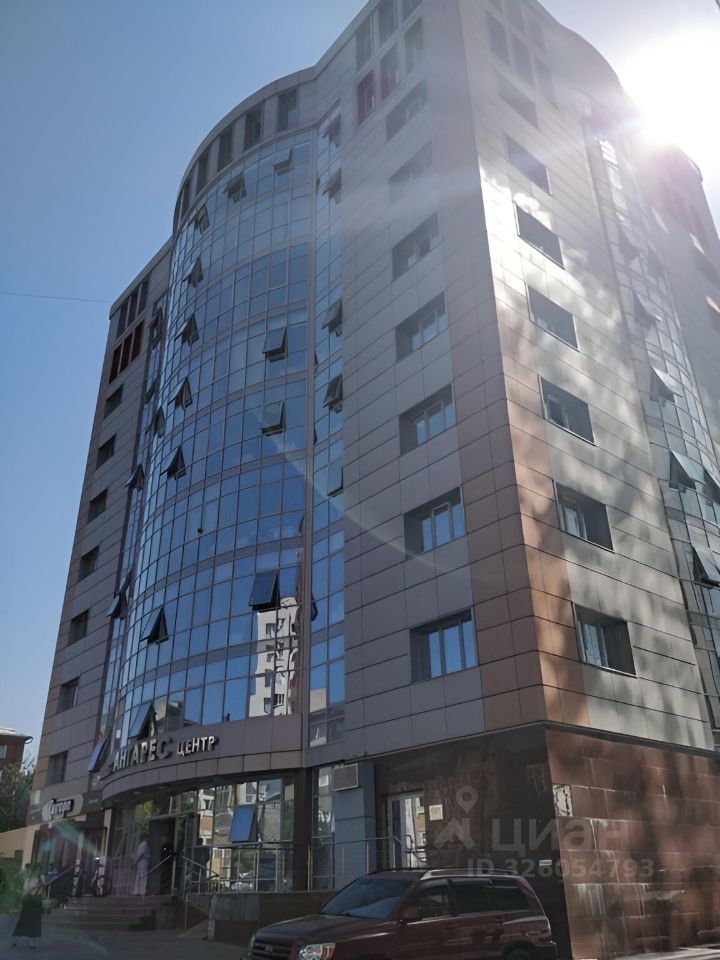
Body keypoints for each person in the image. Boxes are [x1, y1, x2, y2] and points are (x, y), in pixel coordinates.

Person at [12, 863, 44, 949]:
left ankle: (32, 943)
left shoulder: (42, 877)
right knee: (24, 920)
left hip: (37, 902)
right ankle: (15, 939)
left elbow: (43, 887)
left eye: (39, 870)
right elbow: (26, 890)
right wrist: (35, 887)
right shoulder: (28, 879)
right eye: (36, 870)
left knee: (35, 922)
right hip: (29, 901)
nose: (38, 871)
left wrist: (40, 887)